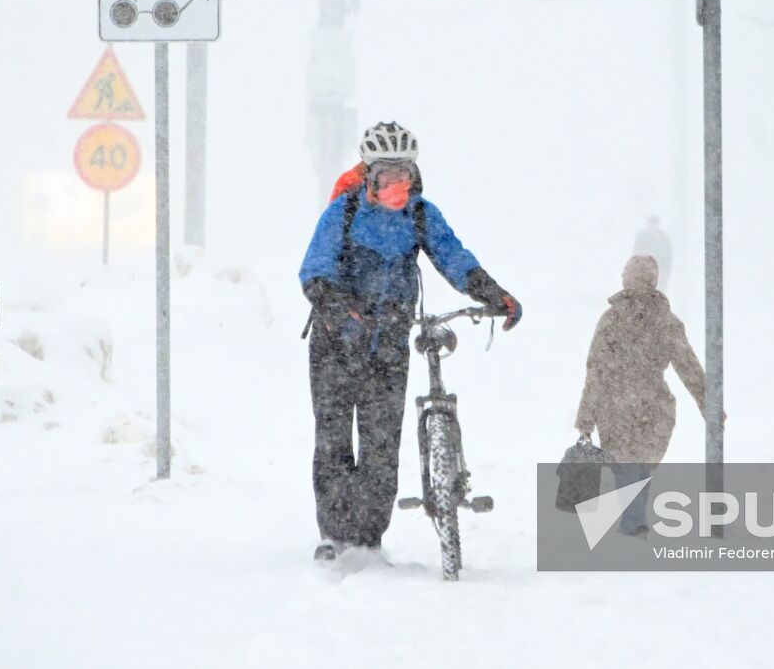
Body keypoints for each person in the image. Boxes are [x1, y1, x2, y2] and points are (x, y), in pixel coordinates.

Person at [299, 122, 522, 561]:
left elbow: (453, 257)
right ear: (368, 173)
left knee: (382, 443)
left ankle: (367, 537)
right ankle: (335, 534)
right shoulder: (342, 213)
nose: (395, 182)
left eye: (404, 172)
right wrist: (340, 308)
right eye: (385, 173)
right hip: (335, 345)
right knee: (334, 440)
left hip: (388, 346)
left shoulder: (421, 215)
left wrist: (492, 292)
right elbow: (314, 271)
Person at [574, 255, 703, 537]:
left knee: (627, 467)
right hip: (654, 404)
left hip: (615, 404)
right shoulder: (667, 321)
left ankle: (633, 524)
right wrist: (709, 404)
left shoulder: (611, 320)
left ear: (627, 279)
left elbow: (595, 370)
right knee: (640, 465)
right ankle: (634, 522)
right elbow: (689, 367)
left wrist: (586, 417)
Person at [632, 215, 672, 292]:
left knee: (659, 294)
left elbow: (668, 256)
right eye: (651, 223)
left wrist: (666, 273)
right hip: (644, 271)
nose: (653, 226)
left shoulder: (664, 237)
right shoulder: (642, 236)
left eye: (655, 223)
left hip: (660, 271)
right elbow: (636, 253)